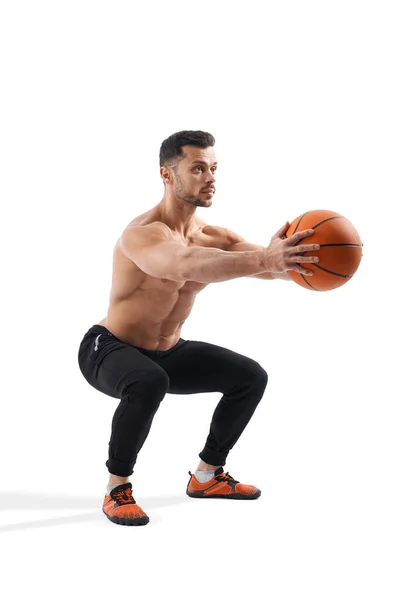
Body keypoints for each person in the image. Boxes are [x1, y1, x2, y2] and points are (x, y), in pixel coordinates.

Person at [77, 130, 320, 526]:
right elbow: (184, 264)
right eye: (197, 168)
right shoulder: (142, 234)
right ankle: (116, 488)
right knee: (147, 381)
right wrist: (266, 258)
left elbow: (267, 267)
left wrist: (301, 260)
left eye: (213, 168)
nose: (209, 177)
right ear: (167, 175)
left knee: (249, 377)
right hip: (109, 350)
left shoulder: (213, 235)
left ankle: (207, 475)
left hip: (167, 351)